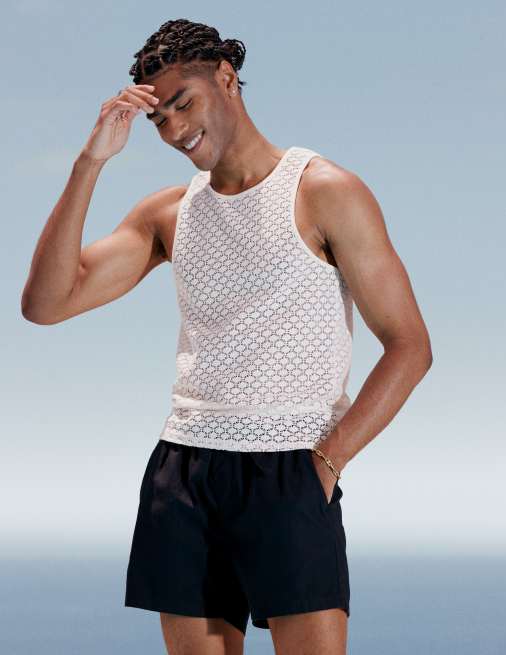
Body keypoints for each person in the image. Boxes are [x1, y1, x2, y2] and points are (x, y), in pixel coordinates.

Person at [21, 17, 432, 655]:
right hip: (184, 471)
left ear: (226, 78)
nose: (174, 130)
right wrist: (89, 163)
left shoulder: (324, 191)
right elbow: (46, 304)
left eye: (183, 104)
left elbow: (409, 345)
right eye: (158, 119)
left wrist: (328, 461)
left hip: (290, 467)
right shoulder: (168, 213)